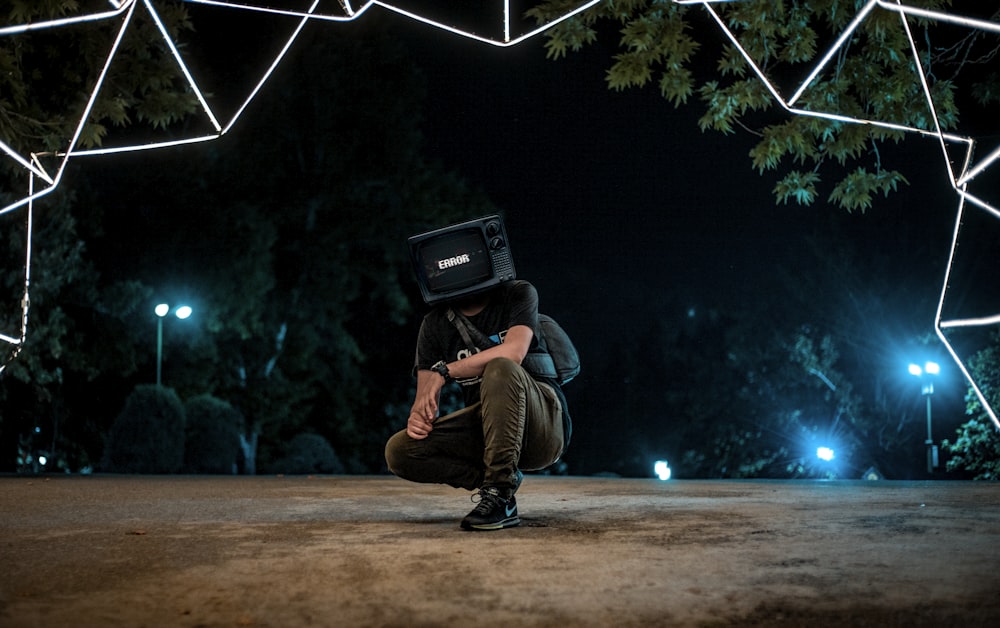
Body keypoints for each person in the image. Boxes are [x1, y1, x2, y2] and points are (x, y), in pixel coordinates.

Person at [384, 278, 569, 531]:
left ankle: (499, 494)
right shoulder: (435, 324)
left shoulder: (518, 294)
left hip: (542, 426)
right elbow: (423, 405)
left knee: (501, 366)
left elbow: (514, 351)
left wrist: (447, 370)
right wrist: (418, 418)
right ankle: (496, 482)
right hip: (489, 430)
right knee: (400, 450)